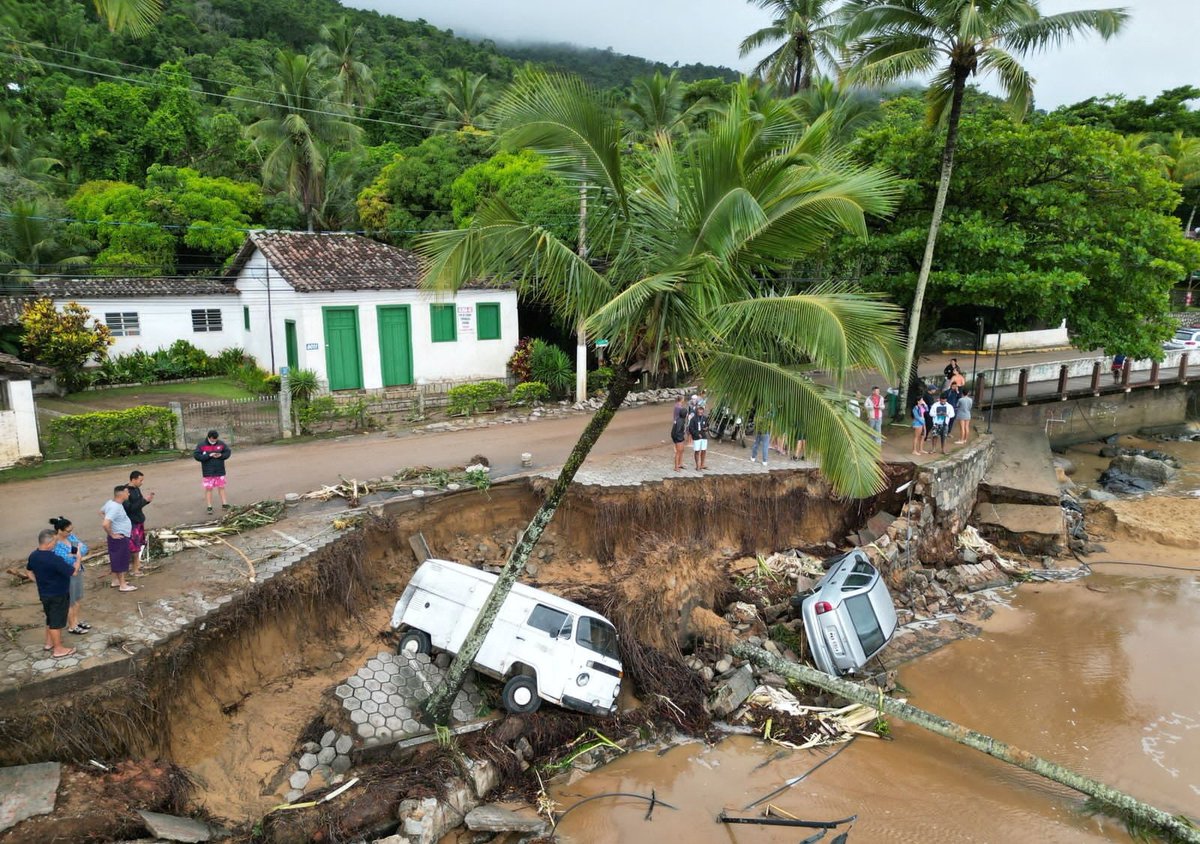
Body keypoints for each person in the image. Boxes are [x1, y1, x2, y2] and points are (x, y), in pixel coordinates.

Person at [24, 528, 78, 658]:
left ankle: (49, 643)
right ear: (48, 543)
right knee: (56, 622)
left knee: (50, 618)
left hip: (44, 593)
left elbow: (28, 571)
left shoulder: (34, 555)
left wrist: (38, 581)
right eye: (55, 541)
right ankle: (58, 649)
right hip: (58, 594)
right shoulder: (54, 559)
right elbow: (73, 572)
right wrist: (78, 559)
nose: (56, 543)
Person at [50, 517, 89, 635]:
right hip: (66, 575)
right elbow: (65, 559)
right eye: (68, 531)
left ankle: (76, 621)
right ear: (60, 530)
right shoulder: (55, 543)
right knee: (70, 601)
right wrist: (76, 553)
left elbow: (84, 549)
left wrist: (75, 554)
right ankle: (72, 625)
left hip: (77, 571)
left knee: (77, 598)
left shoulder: (71, 537)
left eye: (71, 530)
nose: (70, 533)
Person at [101, 485, 136, 592]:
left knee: (116, 558)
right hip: (119, 537)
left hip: (119, 536)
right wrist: (112, 533)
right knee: (121, 560)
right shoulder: (115, 507)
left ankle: (115, 580)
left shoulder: (110, 503)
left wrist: (113, 522)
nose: (129, 494)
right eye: (127, 492)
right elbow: (105, 523)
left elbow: (101, 512)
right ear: (121, 494)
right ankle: (123, 585)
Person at [124, 470, 154, 576]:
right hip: (132, 522)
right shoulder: (126, 491)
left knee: (139, 544)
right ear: (133, 479)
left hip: (139, 519)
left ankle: (138, 564)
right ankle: (134, 569)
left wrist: (146, 501)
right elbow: (129, 508)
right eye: (140, 480)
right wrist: (143, 501)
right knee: (134, 547)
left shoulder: (137, 489)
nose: (142, 482)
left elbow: (139, 504)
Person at [194, 429, 232, 513]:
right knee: (209, 489)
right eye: (213, 439)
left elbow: (228, 452)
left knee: (221, 487)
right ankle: (209, 507)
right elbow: (197, 456)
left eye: (216, 439)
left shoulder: (221, 443)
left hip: (220, 470)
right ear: (209, 437)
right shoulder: (201, 445)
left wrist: (221, 455)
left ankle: (224, 504)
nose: (214, 440)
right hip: (208, 471)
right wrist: (208, 455)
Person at [688, 405, 709, 470]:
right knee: (697, 451)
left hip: (704, 436)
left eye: (702, 412)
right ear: (697, 411)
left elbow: (707, 425)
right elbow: (691, 429)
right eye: (699, 411)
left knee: (704, 450)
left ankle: (702, 464)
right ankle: (697, 465)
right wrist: (697, 434)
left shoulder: (705, 418)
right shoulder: (693, 419)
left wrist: (706, 428)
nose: (700, 413)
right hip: (696, 437)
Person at [670, 397, 688, 471]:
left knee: (682, 450)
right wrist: (678, 439)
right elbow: (676, 431)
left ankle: (680, 464)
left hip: (680, 436)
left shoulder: (680, 420)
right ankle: (676, 467)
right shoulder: (680, 421)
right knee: (678, 451)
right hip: (678, 437)